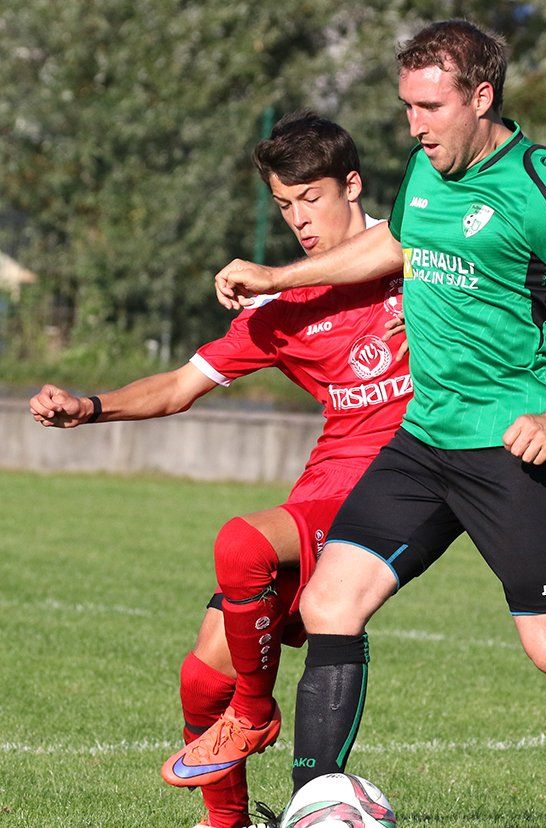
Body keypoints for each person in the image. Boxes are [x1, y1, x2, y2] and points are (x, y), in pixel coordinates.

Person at [211, 21, 546, 828]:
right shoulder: (427, 170)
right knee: (331, 604)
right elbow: (394, 247)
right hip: (426, 440)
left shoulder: (539, 187)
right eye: (407, 107)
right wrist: (277, 278)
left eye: (430, 107)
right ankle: (316, 803)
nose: (415, 125)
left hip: (517, 452)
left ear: (481, 96)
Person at [28, 111, 411, 828]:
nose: (299, 219)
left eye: (312, 198)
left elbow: (497, 274)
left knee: (242, 543)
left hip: (395, 483)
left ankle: (255, 713)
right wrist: (89, 406)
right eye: (284, 205)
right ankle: (226, 822)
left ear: (353, 184)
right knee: (201, 673)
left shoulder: (416, 245)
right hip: (323, 484)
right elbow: (180, 385)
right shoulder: (283, 307)